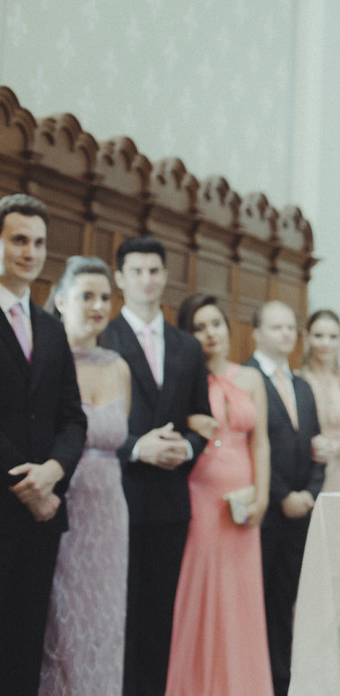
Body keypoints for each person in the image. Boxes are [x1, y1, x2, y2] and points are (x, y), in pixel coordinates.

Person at [100, 235, 211, 696]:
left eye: (154, 271)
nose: (146, 280)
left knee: (158, 618)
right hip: (115, 493)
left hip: (169, 502)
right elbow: (78, 420)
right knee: (116, 613)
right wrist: (134, 446)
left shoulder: (187, 346)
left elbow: (202, 420)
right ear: (120, 278)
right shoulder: (105, 338)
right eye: (136, 271)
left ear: (165, 276)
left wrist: (185, 448)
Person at [0, 195, 87, 696]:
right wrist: (28, 484)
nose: (30, 252)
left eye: (38, 243)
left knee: (26, 645)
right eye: (18, 240)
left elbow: (72, 417)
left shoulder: (52, 330)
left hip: (43, 517)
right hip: (7, 504)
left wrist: (53, 471)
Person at [165, 294, 272, 695]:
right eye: (199, 327)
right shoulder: (183, 378)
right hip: (201, 492)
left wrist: (261, 495)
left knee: (240, 594)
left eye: (216, 324)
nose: (210, 334)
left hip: (243, 498)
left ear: (229, 328)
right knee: (201, 586)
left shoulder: (251, 378)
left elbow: (261, 442)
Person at [39, 257, 131, 694]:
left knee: (105, 621)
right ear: (60, 300)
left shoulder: (118, 366)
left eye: (104, 297)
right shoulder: (45, 360)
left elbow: (121, 437)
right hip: (63, 501)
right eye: (86, 296)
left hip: (110, 511)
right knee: (60, 626)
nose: (98, 306)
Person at [244, 300, 324, 696]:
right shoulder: (246, 377)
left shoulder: (303, 386)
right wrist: (282, 496)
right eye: (276, 327)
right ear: (256, 332)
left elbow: (316, 447)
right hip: (264, 512)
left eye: (291, 327)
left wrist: (309, 492)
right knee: (254, 603)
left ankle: (280, 683)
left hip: (300, 513)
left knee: (285, 603)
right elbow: (250, 449)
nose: (286, 335)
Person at [298, 310, 340, 492]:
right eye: (318, 336)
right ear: (306, 337)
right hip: (306, 472)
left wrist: (335, 448)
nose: (325, 343)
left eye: (333, 337)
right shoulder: (297, 380)